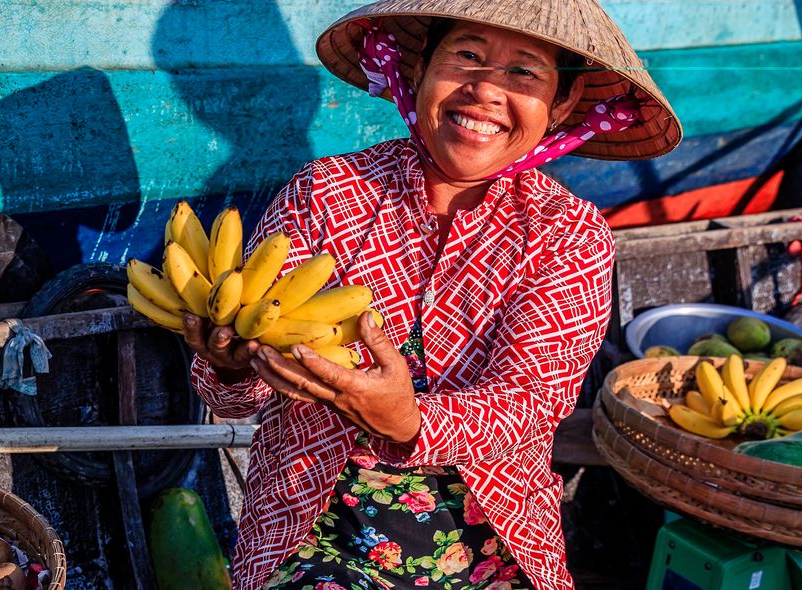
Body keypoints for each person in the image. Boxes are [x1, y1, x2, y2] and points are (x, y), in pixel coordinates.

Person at [183, 1, 682, 588]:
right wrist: (230, 367)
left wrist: (409, 418)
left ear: (562, 105)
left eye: (524, 72)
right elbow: (235, 400)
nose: (486, 92)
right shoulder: (322, 194)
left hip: (497, 542)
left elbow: (528, 406)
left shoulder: (571, 234)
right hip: (310, 529)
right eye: (467, 56)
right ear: (419, 68)